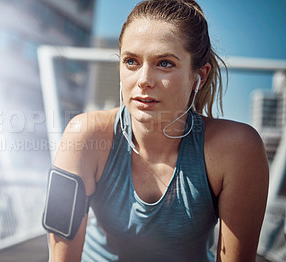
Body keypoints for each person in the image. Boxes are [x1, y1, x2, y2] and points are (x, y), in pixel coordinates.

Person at [46, 0, 269, 261]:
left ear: (200, 75)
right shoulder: (83, 134)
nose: (143, 80)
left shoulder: (237, 149)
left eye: (164, 63)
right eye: (131, 61)